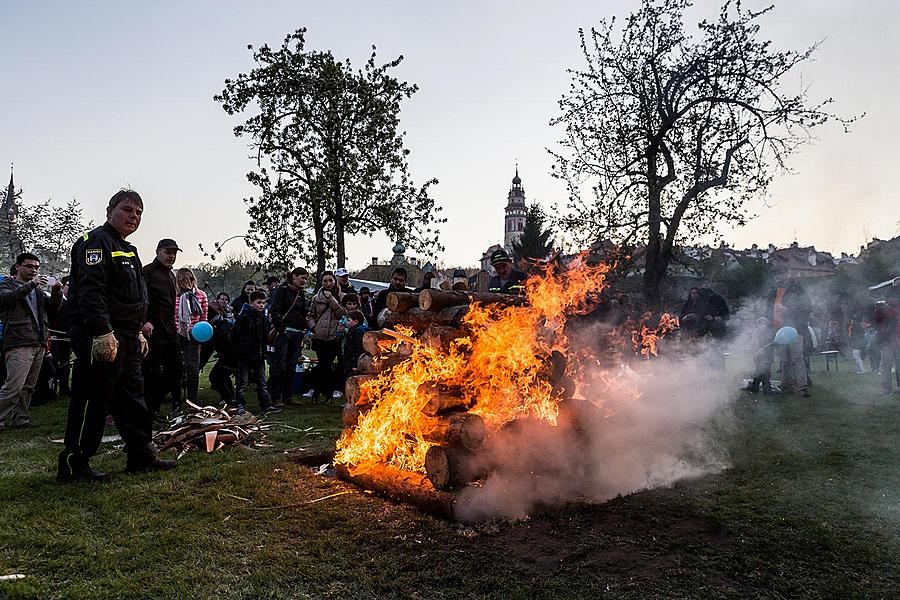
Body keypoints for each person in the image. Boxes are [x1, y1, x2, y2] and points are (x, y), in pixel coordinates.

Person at [58, 189, 175, 483]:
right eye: (127, 210)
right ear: (110, 210)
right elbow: (90, 291)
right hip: (101, 336)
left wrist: (137, 330)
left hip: (127, 337)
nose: (133, 217)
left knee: (133, 397)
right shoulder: (95, 242)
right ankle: (75, 463)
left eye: (138, 213)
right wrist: (102, 332)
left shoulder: (129, 249)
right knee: (93, 398)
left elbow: (133, 296)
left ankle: (141, 455)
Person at [0, 252, 62, 430]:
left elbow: (53, 310)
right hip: (18, 341)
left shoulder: (38, 291)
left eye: (36, 267)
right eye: (29, 266)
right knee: (13, 385)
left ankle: (21, 418)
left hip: (38, 341)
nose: (34, 270)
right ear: (18, 266)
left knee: (28, 386)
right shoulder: (7, 284)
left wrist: (57, 292)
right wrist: (31, 284)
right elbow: (5, 299)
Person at [141, 239, 183, 417]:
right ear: (158, 251)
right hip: (152, 329)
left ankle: (167, 404)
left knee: (176, 370)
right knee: (153, 372)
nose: (171, 256)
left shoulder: (171, 275)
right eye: (168, 252)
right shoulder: (147, 272)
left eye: (174, 253)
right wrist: (143, 321)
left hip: (170, 329)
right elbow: (140, 298)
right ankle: (151, 410)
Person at [267, 267, 309, 408]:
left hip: (297, 333)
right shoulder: (281, 290)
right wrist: (281, 329)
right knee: (279, 365)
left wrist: (304, 329)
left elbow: (303, 312)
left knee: (291, 365)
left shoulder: (301, 293)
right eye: (302, 278)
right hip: (284, 332)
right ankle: (276, 397)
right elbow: (274, 309)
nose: (304, 281)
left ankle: (288, 396)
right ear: (294, 276)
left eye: (305, 279)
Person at [233, 290, 278, 414]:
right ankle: (240, 404)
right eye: (259, 302)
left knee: (261, 381)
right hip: (245, 353)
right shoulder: (244, 317)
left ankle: (265, 404)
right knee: (242, 381)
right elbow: (235, 335)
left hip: (259, 353)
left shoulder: (262, 317)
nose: (261, 305)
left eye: (263, 303)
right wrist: (239, 350)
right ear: (251, 302)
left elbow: (265, 336)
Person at [306, 271, 346, 403]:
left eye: (330, 280)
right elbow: (310, 315)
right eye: (325, 281)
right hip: (319, 336)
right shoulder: (316, 298)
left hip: (334, 337)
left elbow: (343, 314)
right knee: (323, 365)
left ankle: (324, 394)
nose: (328, 283)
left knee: (328, 366)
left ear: (335, 281)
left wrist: (331, 300)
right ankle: (320, 394)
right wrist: (313, 328)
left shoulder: (341, 296)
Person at [771, 277, 811, 397]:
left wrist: (787, 310)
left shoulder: (798, 291)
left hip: (796, 330)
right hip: (782, 330)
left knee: (797, 359)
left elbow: (806, 308)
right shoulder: (777, 291)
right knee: (784, 360)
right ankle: (786, 385)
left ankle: (802, 387)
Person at [174, 267, 208, 406]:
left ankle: (192, 402)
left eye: (191, 278)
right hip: (176, 334)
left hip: (194, 335)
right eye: (184, 279)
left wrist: (200, 333)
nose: (188, 281)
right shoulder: (173, 295)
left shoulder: (201, 295)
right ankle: (176, 401)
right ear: (179, 281)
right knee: (176, 369)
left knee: (193, 369)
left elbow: (204, 317)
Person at [48, 275, 72, 396]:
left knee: (65, 362)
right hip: (54, 336)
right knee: (53, 362)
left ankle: (64, 387)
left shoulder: (73, 302)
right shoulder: (56, 300)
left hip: (68, 337)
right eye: (68, 285)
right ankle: (51, 388)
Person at [874, 287, 899, 396]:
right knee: (886, 366)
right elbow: (877, 322)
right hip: (887, 341)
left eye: (895, 297)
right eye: (891, 297)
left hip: (897, 340)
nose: (893, 299)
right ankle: (886, 390)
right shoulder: (883, 309)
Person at [342, 310, 369, 384]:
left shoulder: (358, 332)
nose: (346, 322)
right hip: (350, 360)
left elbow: (358, 349)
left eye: (348, 320)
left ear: (355, 321)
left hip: (353, 361)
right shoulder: (353, 331)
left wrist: (355, 365)